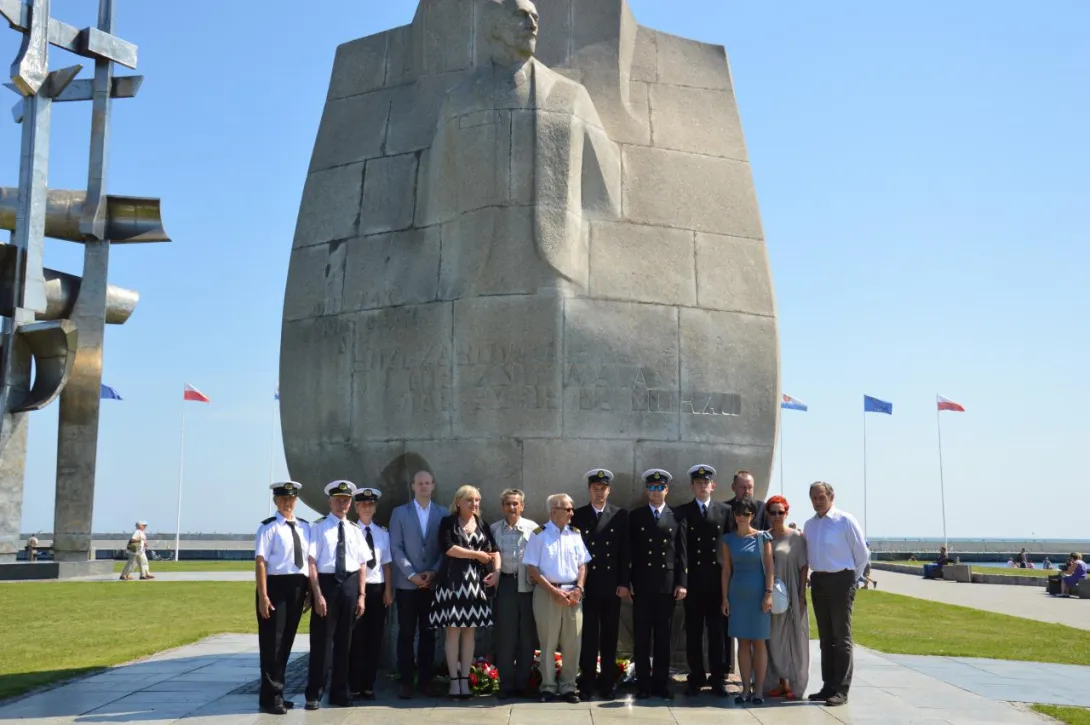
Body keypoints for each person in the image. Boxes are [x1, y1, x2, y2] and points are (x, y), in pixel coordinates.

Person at [304, 480, 372, 710]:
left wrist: (361, 595)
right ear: (330, 502)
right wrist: (317, 594)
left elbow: (362, 564)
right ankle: (315, 693)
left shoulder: (355, 529)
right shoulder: (319, 527)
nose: (342, 504)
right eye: (338, 500)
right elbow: (311, 562)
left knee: (345, 643)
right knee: (322, 643)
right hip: (327, 585)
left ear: (350, 503)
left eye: (346, 501)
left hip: (350, 586)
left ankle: (339, 692)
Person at [431, 485, 501, 700]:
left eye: (477, 500)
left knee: (470, 633)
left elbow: (494, 551)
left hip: (475, 585)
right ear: (458, 502)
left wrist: (497, 572)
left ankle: (465, 680)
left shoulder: (482, 524)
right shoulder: (448, 522)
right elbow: (449, 548)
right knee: (453, 631)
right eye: (470, 500)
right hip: (452, 584)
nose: (474, 504)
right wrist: (476, 555)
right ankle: (454, 682)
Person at [803, 481, 869, 707]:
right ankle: (828, 686)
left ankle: (841, 689)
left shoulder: (845, 521)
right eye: (814, 498)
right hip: (819, 581)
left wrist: (852, 580)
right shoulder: (810, 525)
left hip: (842, 580)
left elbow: (862, 554)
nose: (817, 502)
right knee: (825, 638)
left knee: (841, 637)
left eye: (821, 497)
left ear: (831, 497)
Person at [523, 492, 591, 703]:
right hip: (547, 594)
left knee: (573, 644)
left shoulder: (575, 534)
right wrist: (554, 592)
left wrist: (579, 588)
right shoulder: (539, 534)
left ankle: (569, 687)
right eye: (567, 509)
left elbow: (582, 564)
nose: (572, 513)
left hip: (573, 594)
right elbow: (532, 568)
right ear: (554, 511)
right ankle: (548, 687)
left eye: (572, 509)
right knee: (548, 643)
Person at [627, 469, 687, 700]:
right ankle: (643, 684)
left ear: (666, 490)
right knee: (641, 637)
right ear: (646, 491)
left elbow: (682, 553)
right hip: (642, 584)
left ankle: (661, 684)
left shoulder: (677, 516)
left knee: (663, 637)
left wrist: (682, 582)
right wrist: (627, 582)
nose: (655, 492)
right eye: (651, 487)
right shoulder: (636, 516)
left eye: (660, 487)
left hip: (666, 585)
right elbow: (629, 552)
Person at [571, 468, 629, 700]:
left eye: (603, 488)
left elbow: (625, 552)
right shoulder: (578, 515)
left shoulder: (619, 515)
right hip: (587, 584)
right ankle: (587, 681)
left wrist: (624, 582)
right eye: (596, 488)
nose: (599, 492)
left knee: (609, 634)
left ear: (609, 490)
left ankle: (607, 681)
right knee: (588, 635)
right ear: (589, 490)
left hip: (611, 585)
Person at [254, 481, 311, 715]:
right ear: (276, 501)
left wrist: (309, 591)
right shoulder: (268, 528)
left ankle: (277, 693)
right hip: (275, 587)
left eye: (291, 498)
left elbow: (309, 561)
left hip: (298, 587)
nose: (288, 502)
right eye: (283, 498)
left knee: (286, 642)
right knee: (272, 644)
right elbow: (261, 562)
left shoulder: (305, 527)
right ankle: (270, 698)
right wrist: (263, 595)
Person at [388, 470, 445, 699]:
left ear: (433, 486)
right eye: (419, 483)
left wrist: (433, 572)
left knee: (429, 634)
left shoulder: (442, 513)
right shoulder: (399, 513)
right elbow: (395, 547)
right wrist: (411, 574)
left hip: (431, 584)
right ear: (412, 486)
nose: (423, 486)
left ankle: (426, 680)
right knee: (406, 634)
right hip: (407, 584)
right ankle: (405, 681)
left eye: (427, 483)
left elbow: (445, 548)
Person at [676, 464, 731, 697]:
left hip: (718, 582)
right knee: (694, 633)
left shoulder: (725, 511)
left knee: (718, 634)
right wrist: (682, 581)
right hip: (694, 582)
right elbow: (681, 550)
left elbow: (729, 547)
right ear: (692, 486)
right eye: (698, 483)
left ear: (713, 486)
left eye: (706, 482)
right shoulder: (683, 511)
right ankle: (696, 677)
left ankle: (718, 678)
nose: (702, 486)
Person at [720, 497, 773, 705]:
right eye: (738, 513)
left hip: (759, 595)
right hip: (737, 595)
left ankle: (758, 690)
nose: (742, 517)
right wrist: (725, 598)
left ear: (753, 516)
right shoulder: (728, 540)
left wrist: (768, 593)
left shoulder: (762, 537)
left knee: (759, 642)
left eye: (746, 513)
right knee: (742, 642)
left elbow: (770, 568)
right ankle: (744, 689)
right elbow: (726, 570)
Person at [490, 488, 539, 699]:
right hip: (505, 585)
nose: (512, 507)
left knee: (527, 636)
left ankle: (523, 683)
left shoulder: (534, 528)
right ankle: (506, 684)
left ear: (522, 506)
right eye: (508, 504)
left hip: (528, 586)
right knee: (506, 636)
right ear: (502, 507)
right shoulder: (494, 529)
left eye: (515, 503)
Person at [762, 495, 809, 701]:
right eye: (772, 512)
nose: (776, 516)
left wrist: (801, 595)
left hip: (791, 590)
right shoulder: (764, 537)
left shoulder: (796, 537)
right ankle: (779, 682)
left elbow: (803, 567)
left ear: (787, 513)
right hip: (770, 592)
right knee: (774, 638)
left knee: (793, 638)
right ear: (767, 514)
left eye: (780, 512)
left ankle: (793, 683)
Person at [348, 487, 393, 701]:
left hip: (377, 589)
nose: (367, 507)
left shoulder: (383, 533)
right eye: (363, 504)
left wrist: (388, 590)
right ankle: (354, 685)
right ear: (356, 507)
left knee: (375, 639)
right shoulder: (350, 531)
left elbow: (387, 565)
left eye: (371, 504)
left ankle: (368, 686)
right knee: (356, 639)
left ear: (375, 508)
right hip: (356, 588)